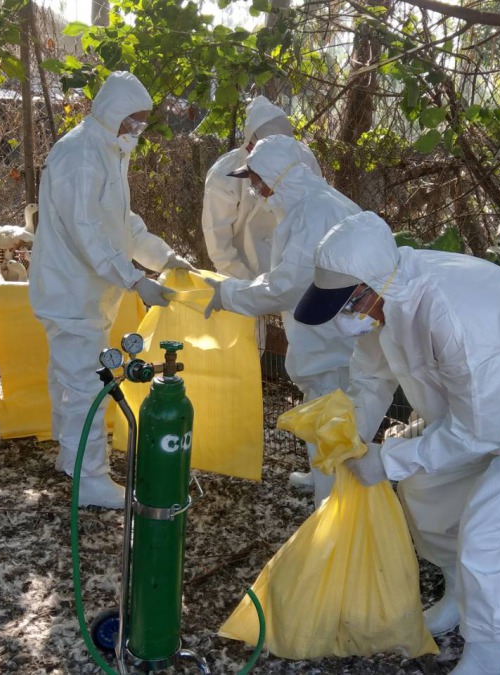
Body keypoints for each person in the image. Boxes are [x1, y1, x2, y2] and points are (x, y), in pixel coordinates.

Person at [293, 212, 500, 675]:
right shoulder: (390, 297)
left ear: (368, 288)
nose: (343, 320)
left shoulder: (456, 313)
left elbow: (481, 432)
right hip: (474, 413)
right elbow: (372, 380)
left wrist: (392, 458)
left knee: (490, 533)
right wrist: (351, 436)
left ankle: (489, 654)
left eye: (343, 307)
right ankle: (460, 593)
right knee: (425, 492)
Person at [29, 71, 196, 509]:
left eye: (141, 121)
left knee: (72, 381)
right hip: (71, 291)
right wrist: (135, 279)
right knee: (84, 385)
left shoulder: (106, 151)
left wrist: (163, 258)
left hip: (83, 294)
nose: (136, 129)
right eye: (133, 120)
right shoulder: (81, 155)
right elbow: (87, 232)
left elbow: (122, 225)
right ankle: (91, 480)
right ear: (112, 112)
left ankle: (73, 459)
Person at [202, 135, 358, 505]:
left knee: (329, 410)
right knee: (321, 406)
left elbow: (286, 287)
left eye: (256, 180)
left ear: (277, 175)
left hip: (332, 339)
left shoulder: (312, 214)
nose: (254, 190)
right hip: (330, 333)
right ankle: (322, 476)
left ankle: (332, 509)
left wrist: (228, 294)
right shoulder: (313, 202)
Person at [201, 95, 317, 281]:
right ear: (250, 146)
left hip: (295, 268)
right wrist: (244, 285)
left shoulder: (304, 159)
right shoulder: (225, 175)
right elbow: (218, 239)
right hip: (245, 273)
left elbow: (312, 217)